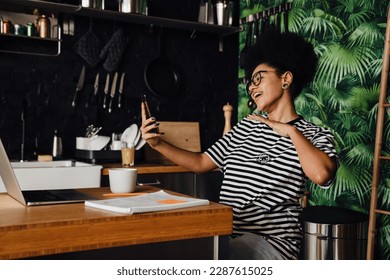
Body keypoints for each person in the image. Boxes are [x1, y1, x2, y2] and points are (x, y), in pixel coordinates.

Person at [140, 30, 338, 260]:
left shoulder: (313, 134)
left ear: (286, 78)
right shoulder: (246, 128)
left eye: (258, 78)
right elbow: (201, 162)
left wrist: (290, 131)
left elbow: (322, 175)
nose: (252, 89)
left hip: (272, 244)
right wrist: (157, 144)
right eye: (249, 84)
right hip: (227, 234)